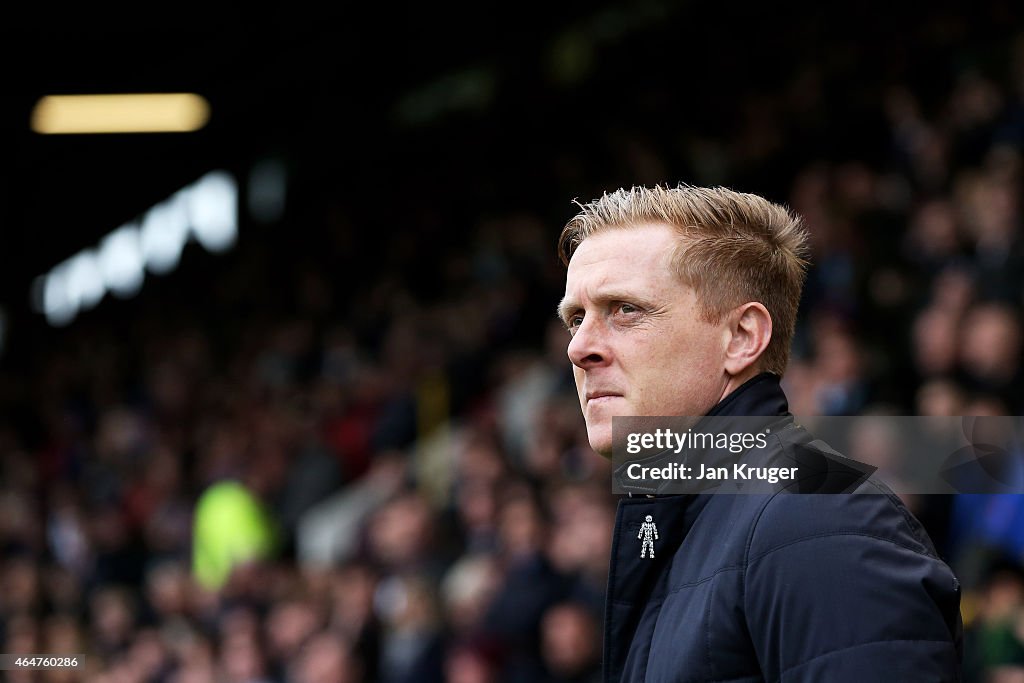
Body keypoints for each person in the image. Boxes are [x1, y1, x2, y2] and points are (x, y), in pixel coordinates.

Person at [556, 185, 963, 682]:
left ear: (743, 337)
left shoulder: (821, 519)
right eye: (575, 318)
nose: (579, 348)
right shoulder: (692, 519)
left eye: (625, 309)